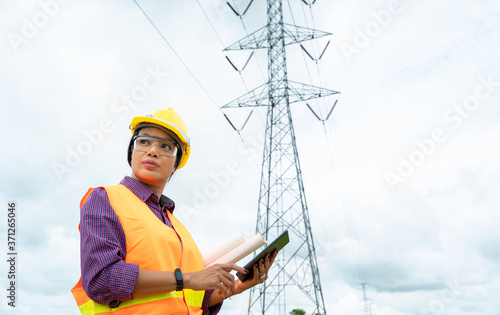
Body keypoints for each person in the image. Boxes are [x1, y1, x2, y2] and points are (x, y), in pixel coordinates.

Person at [71, 108, 277, 314]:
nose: (152, 151)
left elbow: (187, 298)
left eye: (165, 146)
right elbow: (101, 278)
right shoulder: (105, 199)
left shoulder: (175, 227)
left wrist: (236, 287)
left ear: (175, 165)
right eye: (144, 142)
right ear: (131, 152)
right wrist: (187, 278)